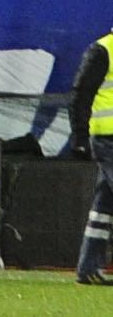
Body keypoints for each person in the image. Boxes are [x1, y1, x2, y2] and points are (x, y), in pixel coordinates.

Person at [68, 25, 113, 284]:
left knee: (103, 207)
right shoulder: (102, 50)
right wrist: (80, 136)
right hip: (108, 140)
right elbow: (81, 94)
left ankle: (88, 268)